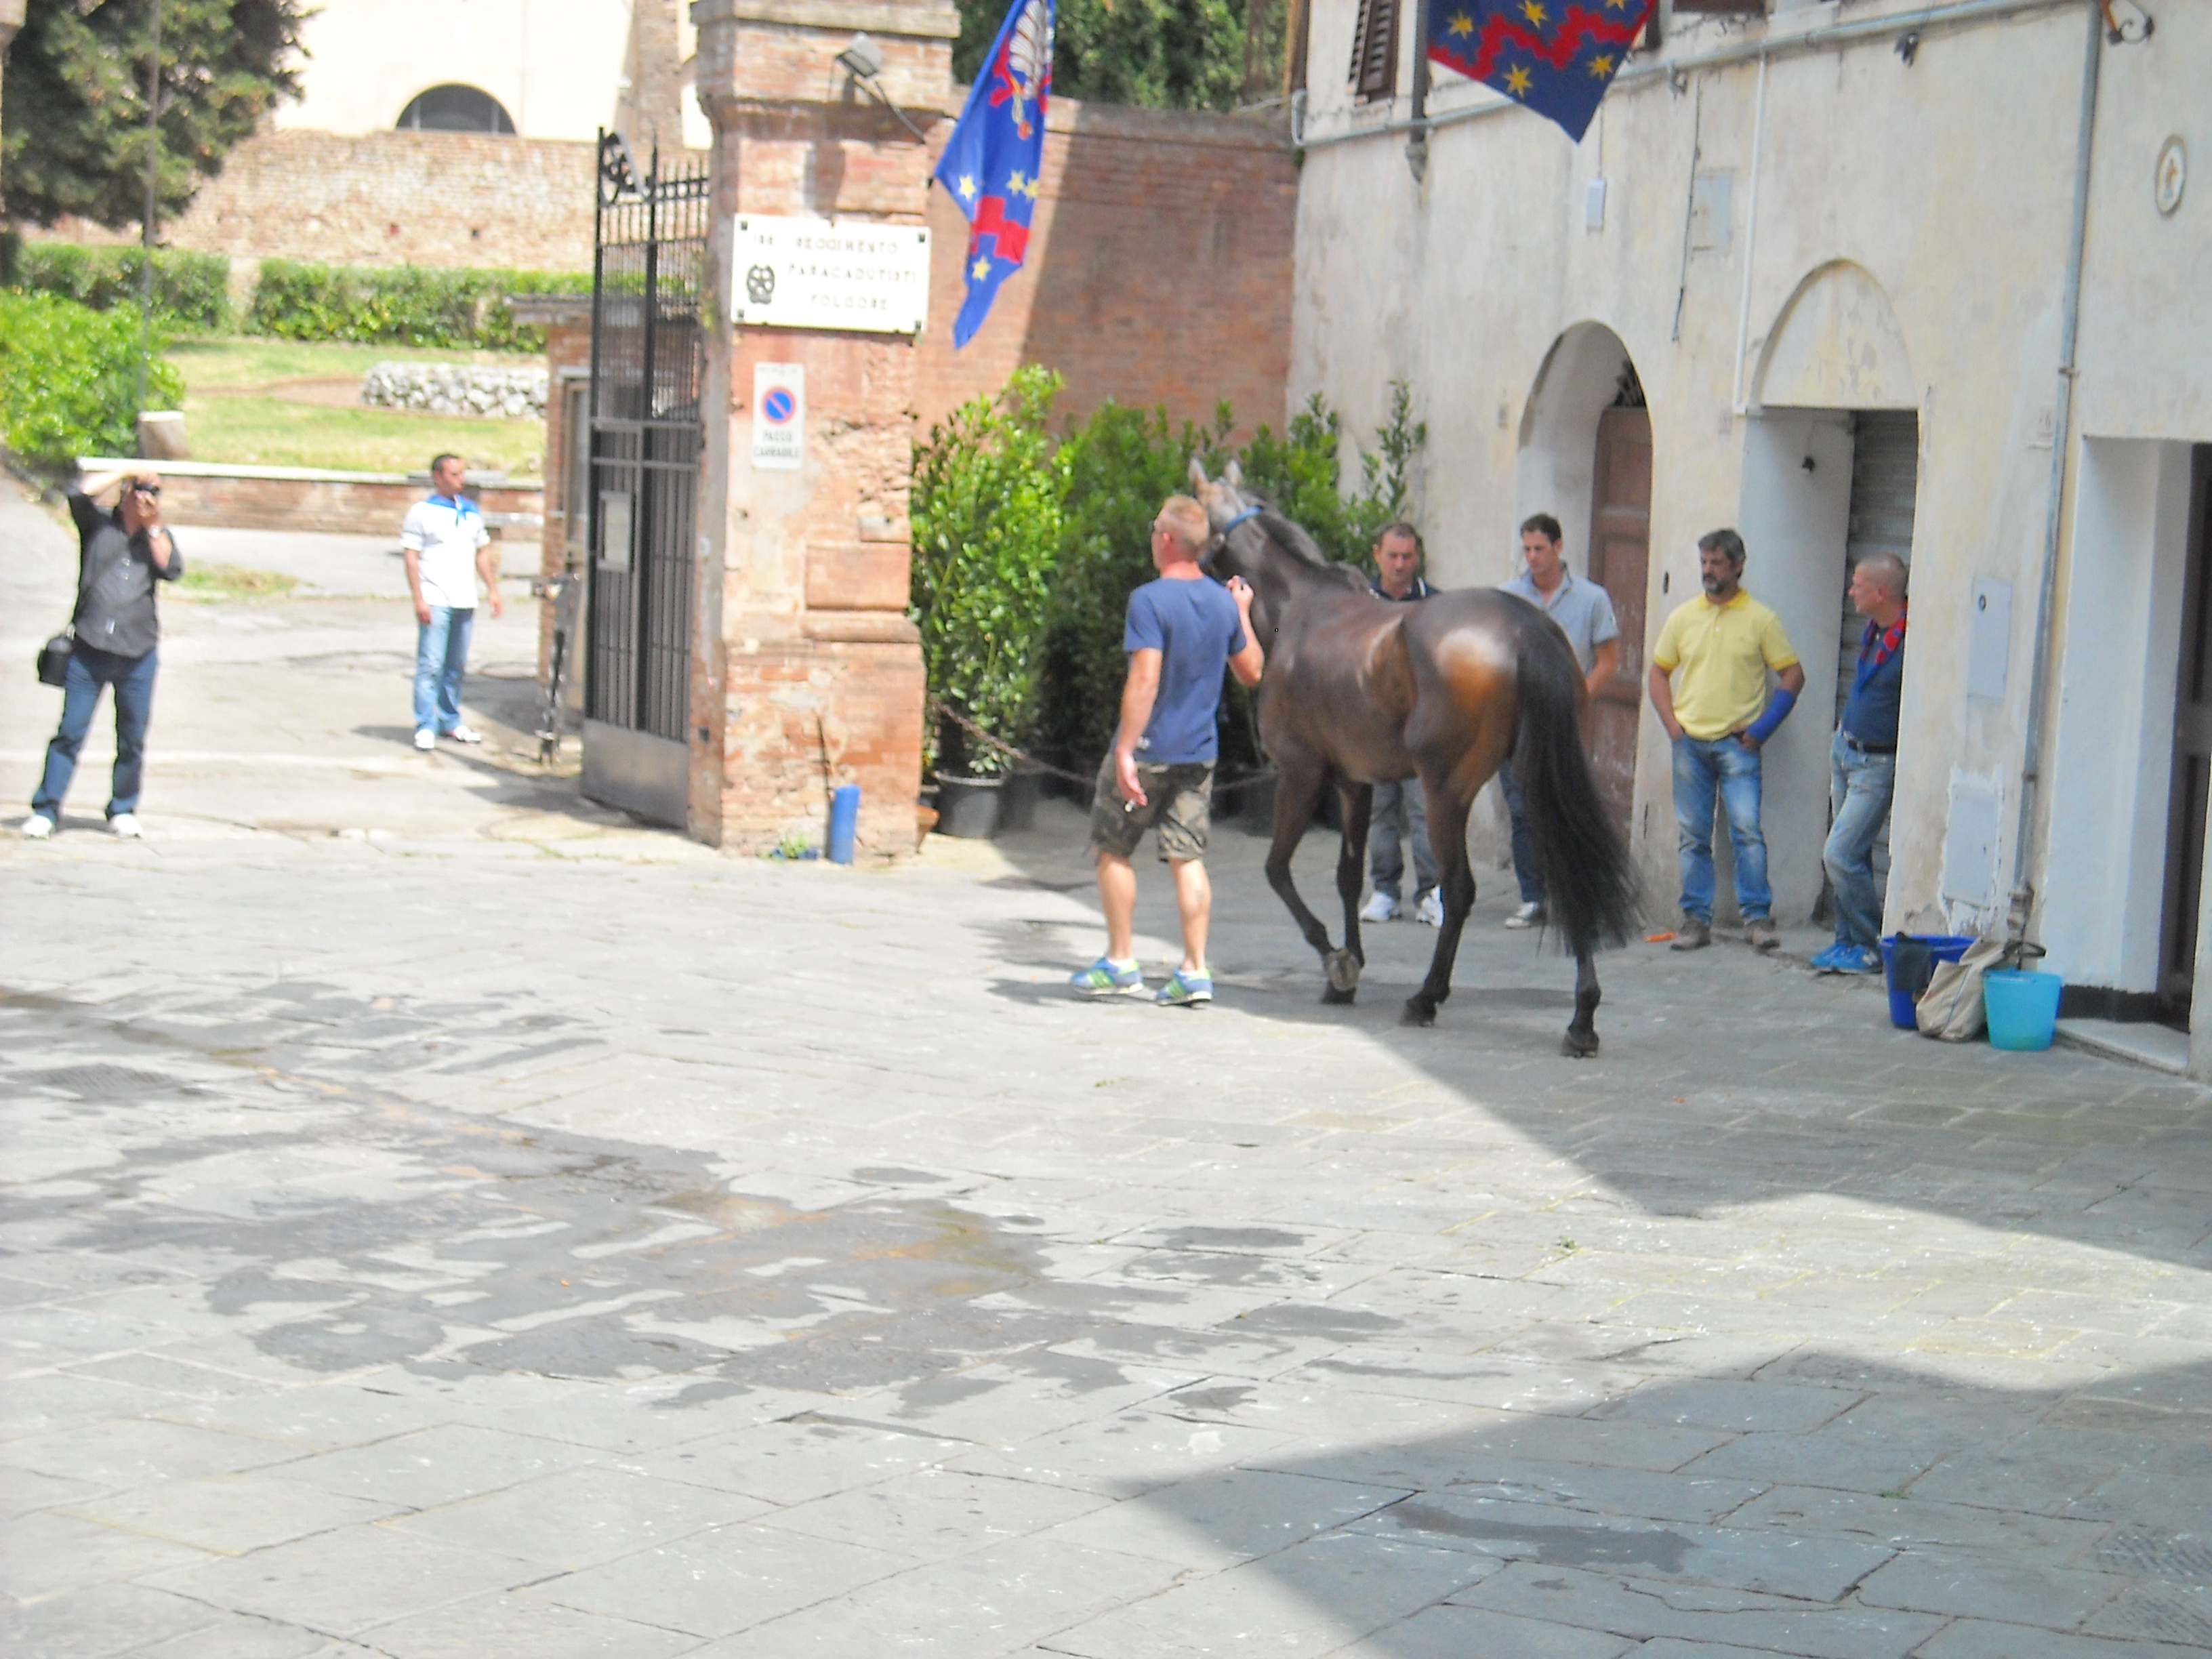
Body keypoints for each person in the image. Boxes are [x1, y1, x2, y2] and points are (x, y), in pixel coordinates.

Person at [1071, 495, 1265, 1006]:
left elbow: (1146, 678)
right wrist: (1242, 614)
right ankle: (1195, 970)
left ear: (1165, 540)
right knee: (1188, 857)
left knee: (1113, 849)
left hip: (1149, 750)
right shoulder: (1222, 602)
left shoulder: (1149, 600)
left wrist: (1125, 750)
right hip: (1198, 754)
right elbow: (1253, 672)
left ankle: (1120, 962)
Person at [1647, 528, 1805, 954]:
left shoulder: (1761, 619)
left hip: (1738, 746)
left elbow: (1793, 675)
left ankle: (1758, 919)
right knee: (1692, 836)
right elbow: (1658, 672)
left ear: (1737, 566)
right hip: (1690, 744)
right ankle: (1696, 920)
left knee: (1747, 832)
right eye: (1704, 562)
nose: (1708, 570)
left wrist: (1761, 729)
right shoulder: (1684, 617)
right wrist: (1672, 726)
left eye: (1716, 563)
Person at [22, 468, 184, 840]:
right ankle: (46, 809)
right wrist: (127, 470)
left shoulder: (157, 535)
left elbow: (172, 569)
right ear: (126, 492)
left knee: (132, 739)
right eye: (140, 489)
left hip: (138, 653)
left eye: (153, 491)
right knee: (70, 732)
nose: (146, 496)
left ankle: (123, 809)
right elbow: (78, 492)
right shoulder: (98, 525)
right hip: (90, 649)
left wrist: (153, 524)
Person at [1498, 512, 1620, 929]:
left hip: (1566, 721)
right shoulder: (1509, 597)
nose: (1533, 557)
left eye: (1540, 549)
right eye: (1527, 550)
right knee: (1521, 808)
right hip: (1517, 718)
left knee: (1565, 805)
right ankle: (1533, 897)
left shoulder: (1592, 598)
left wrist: (1578, 696)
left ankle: (1573, 894)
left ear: (1558, 547)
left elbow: (1608, 660)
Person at [1814, 553, 1908, 975]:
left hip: (1876, 764)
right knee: (1854, 855)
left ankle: (1870, 945)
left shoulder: (1908, 642)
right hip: (1845, 750)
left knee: (1839, 853)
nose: (1851, 591)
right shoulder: (1874, 631)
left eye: (1858, 585)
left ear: (1881, 592)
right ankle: (1846, 941)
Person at [1359, 522, 1442, 928]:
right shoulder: (1360, 601)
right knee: (1380, 811)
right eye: (1392, 556)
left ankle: (1431, 892)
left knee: (1425, 810)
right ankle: (1385, 891)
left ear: (1417, 557)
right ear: (1377, 555)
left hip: (1420, 724)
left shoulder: (1435, 603)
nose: (1399, 564)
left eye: (1407, 557)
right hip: (1373, 726)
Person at [401, 453, 502, 752]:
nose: (461, 480)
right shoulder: (422, 512)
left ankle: (451, 720)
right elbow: (411, 557)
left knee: (455, 665)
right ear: (438, 477)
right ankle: (425, 724)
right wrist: (419, 598)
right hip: (435, 597)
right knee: (431, 664)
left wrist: (492, 590)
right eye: (454, 474)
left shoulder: (470, 512)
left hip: (464, 598)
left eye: (462, 474)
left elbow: (482, 553)